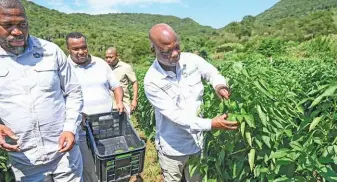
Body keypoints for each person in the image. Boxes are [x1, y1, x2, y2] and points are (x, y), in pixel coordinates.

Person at [0, 0, 84, 181]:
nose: (17, 31)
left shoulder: (50, 51)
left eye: (22, 24)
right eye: (8, 25)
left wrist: (70, 128)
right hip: (25, 158)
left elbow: (74, 92)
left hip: (64, 153)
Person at [144, 23, 238, 182]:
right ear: (153, 49)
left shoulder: (191, 60)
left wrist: (219, 85)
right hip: (173, 148)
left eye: (177, 47)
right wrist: (211, 124)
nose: (174, 54)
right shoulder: (152, 81)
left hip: (197, 143)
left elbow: (212, 73)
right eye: (166, 51)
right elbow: (176, 116)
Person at [66, 32, 124, 182]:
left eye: (84, 47)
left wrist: (119, 101)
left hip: (107, 124)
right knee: (89, 167)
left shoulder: (101, 64)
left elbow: (116, 86)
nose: (81, 52)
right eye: (75, 49)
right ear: (68, 49)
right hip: (83, 128)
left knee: (109, 162)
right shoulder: (64, 68)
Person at [105, 47, 138, 119]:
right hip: (108, 104)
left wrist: (134, 100)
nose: (108, 59)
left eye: (111, 57)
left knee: (123, 127)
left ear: (117, 56)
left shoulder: (125, 67)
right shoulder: (105, 68)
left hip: (123, 103)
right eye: (106, 57)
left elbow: (134, 82)